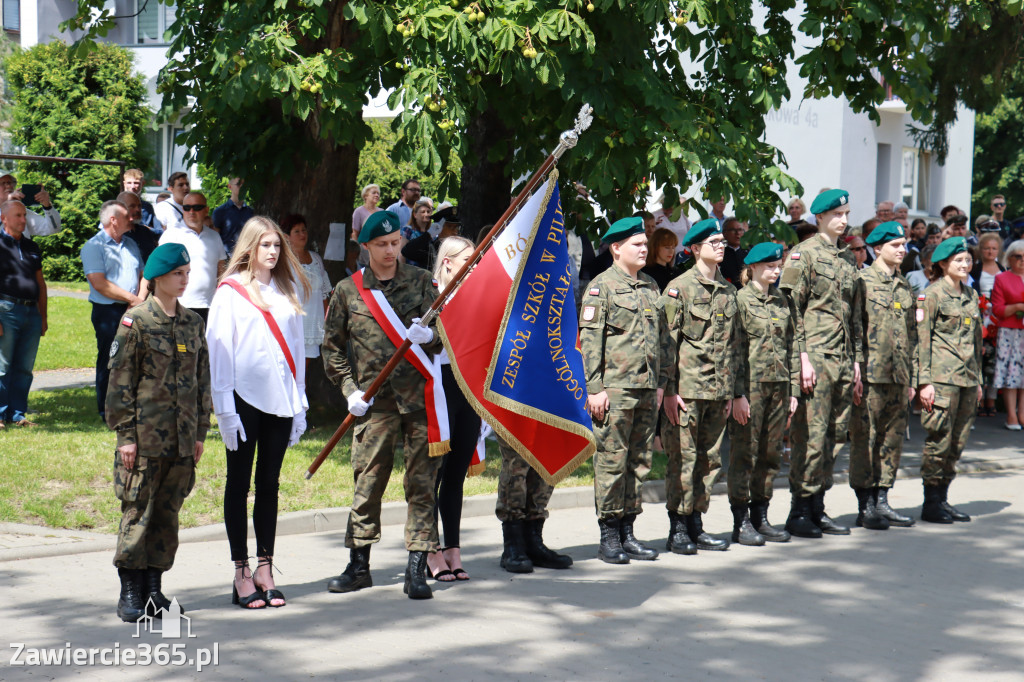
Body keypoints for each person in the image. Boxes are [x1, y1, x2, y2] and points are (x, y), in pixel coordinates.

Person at [321, 210, 445, 600]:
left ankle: (417, 566)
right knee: (368, 482)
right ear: (366, 247)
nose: (391, 251)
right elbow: (332, 348)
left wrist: (428, 337)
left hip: (419, 402)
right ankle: (359, 565)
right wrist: (348, 390)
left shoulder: (423, 282)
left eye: (395, 243)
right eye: (382, 245)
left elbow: (442, 338)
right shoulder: (349, 291)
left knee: (422, 485)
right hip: (375, 405)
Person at [207, 216, 309, 609]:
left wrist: (300, 400)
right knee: (238, 484)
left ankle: (266, 567)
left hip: (281, 401)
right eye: (265, 245)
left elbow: (297, 350)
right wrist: (225, 410)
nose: (272, 252)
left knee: (269, 484)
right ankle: (241, 571)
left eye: (277, 246)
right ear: (249, 248)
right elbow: (220, 353)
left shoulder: (286, 289)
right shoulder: (230, 292)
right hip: (243, 398)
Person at [105, 243, 211, 622]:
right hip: (146, 439)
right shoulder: (137, 321)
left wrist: (200, 430)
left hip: (182, 440)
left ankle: (153, 589)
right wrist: (126, 437)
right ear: (158, 278)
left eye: (186, 272)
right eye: (177, 274)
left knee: (167, 516)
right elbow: (120, 383)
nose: (184, 280)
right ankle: (130, 590)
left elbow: (202, 381)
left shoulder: (193, 323)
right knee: (139, 512)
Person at [579, 217, 670, 563]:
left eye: (646, 244)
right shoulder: (601, 288)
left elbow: (662, 341)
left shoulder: (650, 286)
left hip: (646, 389)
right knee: (612, 462)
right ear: (616, 248)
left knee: (639, 462)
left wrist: (660, 384)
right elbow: (590, 341)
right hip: (614, 391)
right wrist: (595, 388)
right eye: (637, 244)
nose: (644, 249)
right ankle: (609, 536)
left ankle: (629, 531)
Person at [778, 188, 858, 539]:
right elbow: (790, 312)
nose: (843, 221)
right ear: (820, 218)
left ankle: (818, 506)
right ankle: (799, 510)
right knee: (810, 435)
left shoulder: (847, 257)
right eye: (837, 215)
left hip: (841, 359)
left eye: (847, 214)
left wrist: (855, 360)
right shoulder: (803, 255)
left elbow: (852, 313)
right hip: (815, 358)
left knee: (835, 435)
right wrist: (802, 359)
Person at [660, 218, 737, 553]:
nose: (720, 245)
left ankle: (697, 522)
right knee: (683, 460)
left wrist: (736, 393)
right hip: (687, 391)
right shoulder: (679, 289)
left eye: (722, 241)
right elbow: (666, 345)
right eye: (713, 241)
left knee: (710, 461)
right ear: (694, 249)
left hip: (718, 391)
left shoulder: (728, 290)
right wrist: (669, 391)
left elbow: (736, 346)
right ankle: (678, 527)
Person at [848, 222, 918, 531]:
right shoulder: (861, 281)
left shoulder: (904, 286)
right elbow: (852, 329)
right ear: (877, 248)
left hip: (898, 375)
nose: (902, 249)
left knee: (891, 440)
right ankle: (865, 505)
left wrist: (913, 378)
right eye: (895, 245)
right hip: (871, 374)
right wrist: (855, 368)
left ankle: (883, 499)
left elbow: (912, 335)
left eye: (903, 244)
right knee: (866, 439)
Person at [727, 242, 798, 545]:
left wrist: (793, 389)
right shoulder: (739, 300)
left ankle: (761, 515)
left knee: (770, 455)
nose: (775, 270)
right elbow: (732, 351)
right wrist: (737, 394)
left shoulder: (782, 300)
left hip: (779, 388)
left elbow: (792, 345)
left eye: (778, 265)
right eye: (769, 266)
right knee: (745, 454)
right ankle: (741, 520)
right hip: (751, 389)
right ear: (752, 267)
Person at [424, 236, 483, 582]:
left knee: (456, 475)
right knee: (433, 473)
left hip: (467, 386)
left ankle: (453, 548)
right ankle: (430, 548)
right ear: (447, 262)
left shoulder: (475, 295)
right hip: (439, 384)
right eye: (467, 259)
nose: (474, 266)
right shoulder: (430, 293)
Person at [917, 237, 982, 523]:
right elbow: (921, 341)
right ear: (943, 264)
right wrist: (924, 382)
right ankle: (931, 502)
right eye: (958, 260)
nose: (965, 264)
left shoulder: (971, 295)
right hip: (941, 379)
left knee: (957, 442)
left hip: (967, 379)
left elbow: (976, 340)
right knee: (939, 441)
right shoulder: (931, 295)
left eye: (967, 259)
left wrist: (978, 379)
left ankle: (943, 498)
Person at [81, 200, 144, 419]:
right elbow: (99, 283)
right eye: (126, 215)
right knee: (111, 357)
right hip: (108, 311)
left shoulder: (131, 244)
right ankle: (106, 408)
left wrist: (139, 300)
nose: (132, 217)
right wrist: (132, 299)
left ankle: (130, 404)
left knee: (134, 357)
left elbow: (143, 274)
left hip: (134, 308)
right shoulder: (93, 246)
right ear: (113, 220)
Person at [0, 200, 47, 428]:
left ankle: (17, 414)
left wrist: (43, 317)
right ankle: (0, 414)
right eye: (18, 215)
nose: (23, 220)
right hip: (6, 310)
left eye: (24, 215)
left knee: (25, 367)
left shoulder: (31, 247)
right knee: (3, 365)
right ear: (4, 218)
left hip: (31, 312)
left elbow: (41, 283)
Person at [156, 192, 226, 323]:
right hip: (179, 306)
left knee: (205, 344)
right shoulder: (171, 234)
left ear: (206, 210)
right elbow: (159, 270)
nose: (191, 212)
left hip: (209, 306)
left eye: (197, 207)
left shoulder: (214, 236)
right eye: (187, 208)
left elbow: (221, 269)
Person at [282, 214, 331, 366]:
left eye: (304, 230)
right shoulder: (282, 261)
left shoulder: (316, 259)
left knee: (303, 371)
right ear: (286, 236)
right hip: (291, 324)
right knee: (288, 368)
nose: (302, 234)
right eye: (296, 231)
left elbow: (324, 293)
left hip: (312, 324)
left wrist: (327, 320)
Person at [990, 240, 1024, 429]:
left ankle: (1023, 413)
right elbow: (998, 309)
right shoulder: (1002, 278)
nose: (1022, 260)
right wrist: (1018, 307)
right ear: (1009, 258)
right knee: (1012, 373)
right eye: (1017, 256)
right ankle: (1011, 414)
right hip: (1010, 332)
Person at [972, 232, 1005, 417]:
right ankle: (979, 398)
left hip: (998, 318)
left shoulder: (1003, 269)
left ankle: (991, 399)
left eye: (994, 248)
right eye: (987, 248)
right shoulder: (975, 269)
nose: (990, 251)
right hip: (981, 316)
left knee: (994, 361)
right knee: (980, 358)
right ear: (981, 250)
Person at [0, 173, 61, 238]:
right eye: (3, 183)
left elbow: (54, 229)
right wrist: (8, 206)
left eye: (10, 183)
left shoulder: (22, 213)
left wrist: (47, 206)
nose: (9, 186)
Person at [212, 178, 254, 257]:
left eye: (243, 184)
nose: (242, 187)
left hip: (248, 258)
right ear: (229, 186)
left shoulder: (252, 212)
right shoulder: (219, 212)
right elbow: (215, 238)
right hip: (227, 259)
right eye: (238, 184)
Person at [117, 191, 159, 264]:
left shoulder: (145, 232)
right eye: (132, 206)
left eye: (139, 206)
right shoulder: (116, 234)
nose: (138, 209)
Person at [352, 183, 383, 267]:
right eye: (374, 193)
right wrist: (357, 253)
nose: (377, 195)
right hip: (364, 253)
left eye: (378, 193)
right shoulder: (359, 211)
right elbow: (355, 234)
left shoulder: (382, 212)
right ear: (365, 196)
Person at [121, 168, 158, 233]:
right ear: (124, 184)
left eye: (136, 183)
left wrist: (145, 229)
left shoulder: (147, 207)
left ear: (142, 184)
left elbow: (159, 231)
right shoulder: (116, 206)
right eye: (129, 183)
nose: (132, 186)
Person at [400, 199, 433, 268]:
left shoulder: (432, 232)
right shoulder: (408, 231)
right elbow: (401, 254)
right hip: (411, 272)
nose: (426, 214)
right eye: (423, 212)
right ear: (415, 215)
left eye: (428, 212)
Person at [719, 218, 747, 285]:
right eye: (733, 230)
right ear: (724, 233)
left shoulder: (748, 253)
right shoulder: (720, 253)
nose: (737, 233)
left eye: (740, 230)